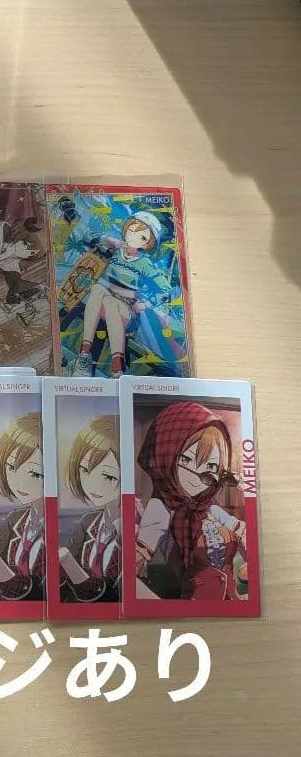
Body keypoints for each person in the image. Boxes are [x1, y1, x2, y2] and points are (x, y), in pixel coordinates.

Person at [134, 401, 246, 601]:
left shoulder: (209, 507)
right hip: (193, 610)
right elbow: (129, 573)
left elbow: (243, 534)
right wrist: (159, 607)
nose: (198, 475)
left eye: (211, 466)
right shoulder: (161, 509)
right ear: (166, 457)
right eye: (186, 460)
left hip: (233, 605)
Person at [71, 211, 171, 378]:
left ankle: (117, 368)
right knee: (98, 289)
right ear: (126, 229)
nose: (135, 237)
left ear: (147, 244)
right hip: (104, 301)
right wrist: (108, 239)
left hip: (127, 312)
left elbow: (165, 289)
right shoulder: (116, 251)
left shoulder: (144, 264)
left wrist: (144, 304)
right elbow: (86, 237)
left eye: (143, 237)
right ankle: (84, 355)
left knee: (110, 301)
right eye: (132, 230)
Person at [58, 415, 122, 603]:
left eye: (108, 476)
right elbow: (67, 570)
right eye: (85, 470)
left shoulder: (138, 525)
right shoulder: (88, 522)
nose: (92, 486)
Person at [0, 412, 45, 601]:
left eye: (34, 473)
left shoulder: (57, 526)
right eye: (11, 467)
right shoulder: (14, 519)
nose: (18, 482)